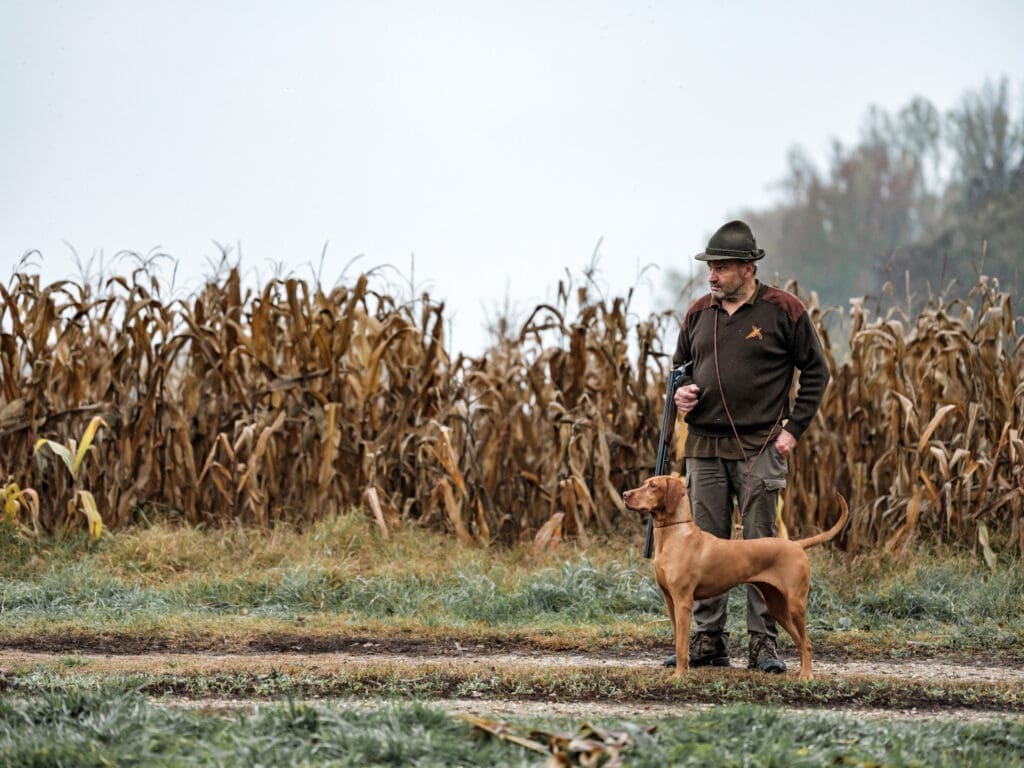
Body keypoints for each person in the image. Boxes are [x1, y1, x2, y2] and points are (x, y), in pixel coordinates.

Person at [665, 219, 830, 673]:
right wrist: (681, 395)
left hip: (760, 447)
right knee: (702, 547)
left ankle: (764, 644)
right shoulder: (699, 313)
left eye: (721, 267)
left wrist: (793, 429)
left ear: (748, 268)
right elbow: (680, 370)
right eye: (710, 267)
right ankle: (707, 641)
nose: (712, 276)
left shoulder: (784, 311)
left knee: (761, 547)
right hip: (704, 449)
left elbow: (817, 373)